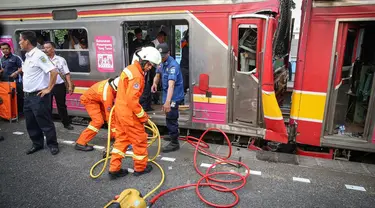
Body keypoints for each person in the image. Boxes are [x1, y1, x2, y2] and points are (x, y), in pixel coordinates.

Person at [109, 46, 161, 179]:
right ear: (144, 60)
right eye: (149, 64)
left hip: (120, 112)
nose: (150, 68)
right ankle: (140, 168)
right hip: (129, 114)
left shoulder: (130, 69)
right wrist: (143, 116)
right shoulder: (137, 76)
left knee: (121, 140)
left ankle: (114, 169)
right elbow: (132, 100)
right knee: (139, 140)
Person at [19, 31, 59, 155]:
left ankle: (53, 145)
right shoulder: (28, 56)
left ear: (27, 41)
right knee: (31, 123)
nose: (19, 42)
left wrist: (48, 89)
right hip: (27, 96)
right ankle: (37, 144)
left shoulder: (38, 55)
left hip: (38, 96)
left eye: (20, 40)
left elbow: (54, 72)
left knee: (45, 122)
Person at [151, 43, 184, 153]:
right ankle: (172, 134)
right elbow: (157, 74)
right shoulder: (161, 62)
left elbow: (171, 85)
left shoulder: (173, 66)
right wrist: (154, 83)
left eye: (163, 55)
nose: (161, 57)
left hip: (174, 96)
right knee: (168, 114)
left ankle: (175, 143)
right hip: (167, 94)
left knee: (171, 117)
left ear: (168, 53)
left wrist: (168, 102)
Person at [75, 77, 119, 151]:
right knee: (98, 122)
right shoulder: (107, 94)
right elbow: (110, 116)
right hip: (90, 100)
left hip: (97, 100)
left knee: (112, 116)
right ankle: (80, 143)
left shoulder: (113, 83)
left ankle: (113, 136)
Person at [43, 41, 74, 130]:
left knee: (61, 105)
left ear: (53, 48)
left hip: (59, 86)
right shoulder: (43, 60)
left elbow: (66, 73)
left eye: (48, 47)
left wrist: (70, 85)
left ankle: (66, 123)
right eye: (44, 48)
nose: (46, 50)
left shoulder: (60, 59)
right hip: (47, 86)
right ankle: (48, 124)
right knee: (47, 105)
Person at [0, 42, 24, 116]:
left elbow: (23, 67)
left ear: (10, 49)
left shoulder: (16, 57)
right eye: (3, 49)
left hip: (15, 82)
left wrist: (16, 73)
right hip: (5, 83)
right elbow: (1, 69)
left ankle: (20, 113)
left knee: (19, 98)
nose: (5, 50)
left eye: (6, 48)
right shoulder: (1, 59)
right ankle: (10, 113)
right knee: (7, 99)